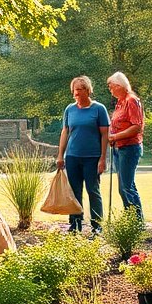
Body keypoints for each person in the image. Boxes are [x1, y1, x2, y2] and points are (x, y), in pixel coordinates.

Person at [56, 76, 110, 235]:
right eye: (74, 89)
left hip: (92, 157)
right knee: (74, 191)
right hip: (72, 157)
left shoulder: (99, 109)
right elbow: (65, 132)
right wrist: (61, 155)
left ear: (88, 90)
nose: (76, 93)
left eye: (79, 89)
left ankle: (97, 225)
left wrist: (102, 158)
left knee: (93, 190)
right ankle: (75, 223)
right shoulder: (69, 109)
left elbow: (105, 135)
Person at [105, 71, 144, 218]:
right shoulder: (120, 102)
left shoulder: (131, 100)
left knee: (126, 187)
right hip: (119, 147)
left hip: (129, 148)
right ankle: (131, 221)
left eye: (111, 87)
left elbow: (136, 126)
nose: (110, 90)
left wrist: (115, 136)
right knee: (124, 188)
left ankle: (136, 223)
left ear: (119, 85)